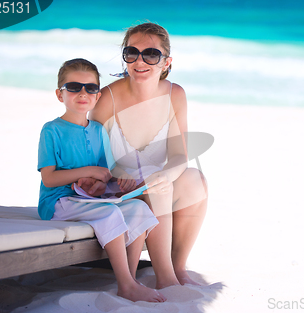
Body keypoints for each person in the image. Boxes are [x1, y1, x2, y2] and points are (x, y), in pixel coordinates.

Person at [89, 22, 208, 289]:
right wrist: (121, 178)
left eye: (151, 54)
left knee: (195, 180)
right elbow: (92, 157)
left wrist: (167, 174)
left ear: (166, 62)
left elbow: (180, 155)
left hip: (155, 182)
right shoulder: (107, 97)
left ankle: (178, 267)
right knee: (158, 187)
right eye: (132, 53)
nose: (140, 61)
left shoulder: (175, 95)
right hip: (116, 187)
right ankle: (164, 276)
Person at [37, 58, 166, 303]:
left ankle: (129, 276)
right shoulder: (51, 130)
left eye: (91, 88)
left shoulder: (97, 130)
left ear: (97, 96)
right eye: (73, 87)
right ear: (59, 94)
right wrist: (87, 171)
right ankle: (126, 284)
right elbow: (49, 178)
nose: (82, 93)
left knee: (138, 207)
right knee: (109, 214)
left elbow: (104, 175)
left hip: (86, 201)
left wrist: (105, 183)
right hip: (58, 202)